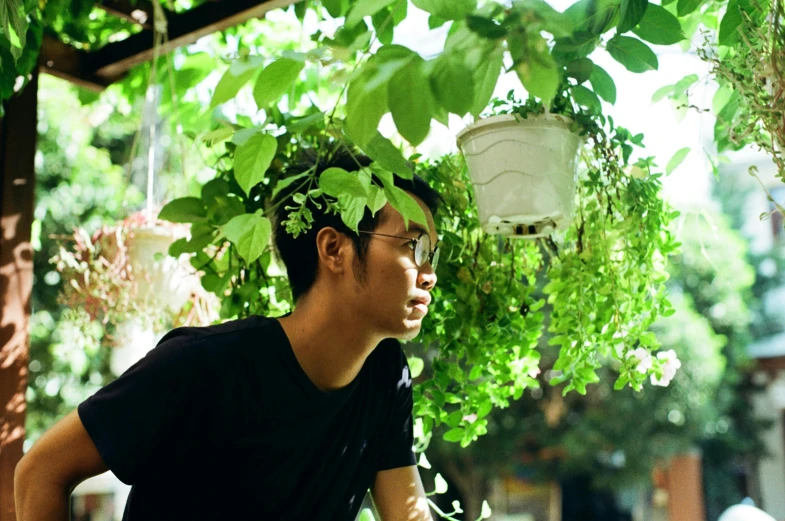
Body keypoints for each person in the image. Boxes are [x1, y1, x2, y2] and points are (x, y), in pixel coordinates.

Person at [14, 153, 442, 521]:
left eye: (434, 254)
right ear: (333, 249)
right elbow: (40, 471)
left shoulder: (385, 376)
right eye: (414, 246)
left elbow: (407, 510)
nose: (431, 274)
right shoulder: (203, 366)